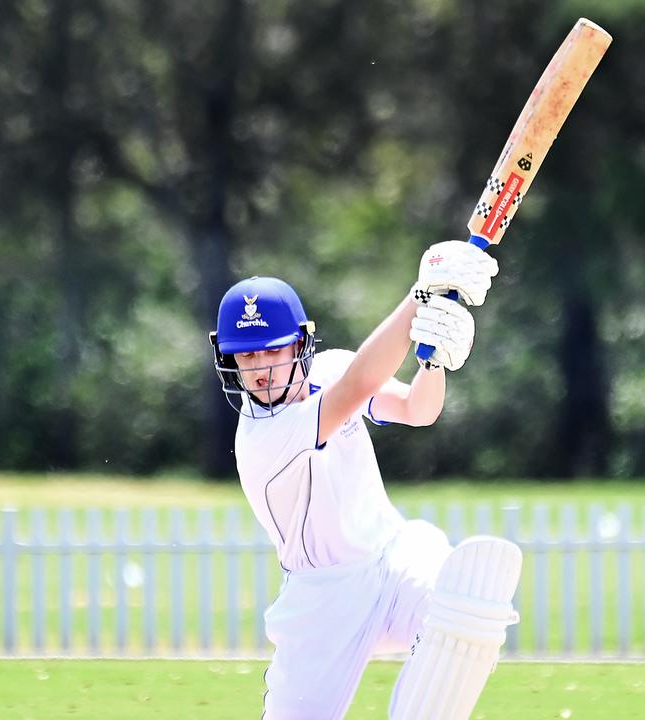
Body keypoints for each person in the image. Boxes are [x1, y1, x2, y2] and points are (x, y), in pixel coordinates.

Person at [209, 241, 521, 720]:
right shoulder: (260, 438)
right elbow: (356, 386)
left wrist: (433, 363)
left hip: (393, 559)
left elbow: (419, 410)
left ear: (299, 343)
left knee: (459, 608)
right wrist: (422, 296)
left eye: (272, 350)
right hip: (322, 600)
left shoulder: (330, 367)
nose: (260, 370)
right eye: (246, 357)